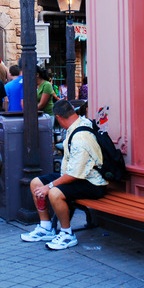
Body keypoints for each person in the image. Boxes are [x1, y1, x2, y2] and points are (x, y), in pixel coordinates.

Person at [20, 100, 108, 250]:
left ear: (59, 117)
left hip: (93, 183)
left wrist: (50, 186)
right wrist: (47, 186)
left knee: (54, 193)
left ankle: (67, 234)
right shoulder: (77, 124)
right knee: (36, 183)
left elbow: (74, 175)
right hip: (78, 177)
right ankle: (46, 227)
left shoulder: (81, 138)